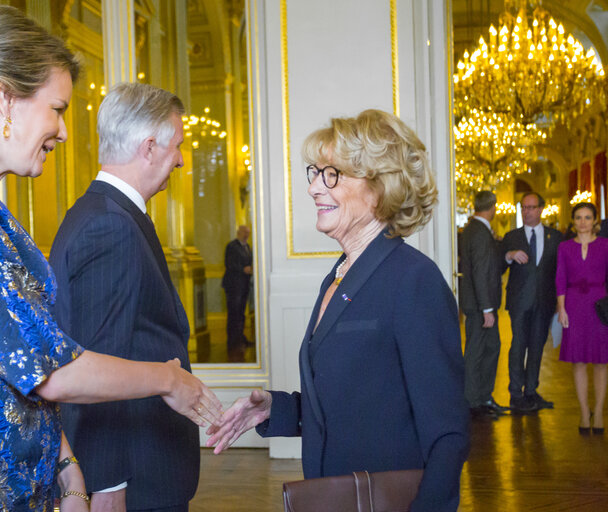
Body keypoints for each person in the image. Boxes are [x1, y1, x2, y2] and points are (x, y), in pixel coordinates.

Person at [0, 8, 221, 511]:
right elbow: (50, 370)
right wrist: (168, 378)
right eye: (57, 108)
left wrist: (66, 466)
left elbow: (23, 353)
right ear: (5, 98)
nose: (62, 132)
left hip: (13, 476)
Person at [206, 111, 469, 511]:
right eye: (315, 172)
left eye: (333, 174)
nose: (313, 187)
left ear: (381, 187)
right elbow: (353, 401)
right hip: (337, 496)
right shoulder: (339, 275)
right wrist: (276, 410)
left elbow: (447, 434)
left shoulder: (414, 280)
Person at [48, 82, 199, 512]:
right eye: (177, 146)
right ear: (149, 147)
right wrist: (108, 482)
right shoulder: (109, 226)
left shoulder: (104, 214)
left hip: (145, 461)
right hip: (135, 474)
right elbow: (96, 357)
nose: (181, 160)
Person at [501, 192, 563, 412]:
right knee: (518, 346)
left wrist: (560, 301)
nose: (526, 212)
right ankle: (516, 394)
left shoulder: (555, 237)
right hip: (519, 302)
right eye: (523, 208)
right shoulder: (511, 237)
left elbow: (561, 272)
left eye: (531, 207)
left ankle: (531, 392)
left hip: (544, 302)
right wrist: (509, 255)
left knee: (537, 346)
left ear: (541, 209)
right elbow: (499, 265)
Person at [556, 202, 608, 435]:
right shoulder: (564, 247)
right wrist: (561, 308)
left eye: (588, 217)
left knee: (601, 361)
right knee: (578, 361)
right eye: (578, 217)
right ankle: (584, 412)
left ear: (595, 220)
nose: (583, 222)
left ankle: (598, 411)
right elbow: (560, 278)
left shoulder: (606, 245)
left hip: (600, 305)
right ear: (573, 220)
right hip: (574, 305)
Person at [459, 191, 507, 419]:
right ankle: (473, 402)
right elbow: (480, 271)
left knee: (490, 348)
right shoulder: (478, 232)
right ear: (493, 207)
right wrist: (487, 308)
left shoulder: (474, 230)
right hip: (480, 306)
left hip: (479, 304)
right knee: (477, 352)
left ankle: (484, 397)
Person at [221, 224, 253, 358]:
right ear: (238, 232)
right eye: (244, 232)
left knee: (241, 313)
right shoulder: (232, 246)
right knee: (234, 314)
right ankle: (233, 341)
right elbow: (229, 264)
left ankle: (240, 338)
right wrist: (243, 269)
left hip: (244, 285)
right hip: (233, 286)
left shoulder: (248, 247)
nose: (246, 235)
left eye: (248, 233)